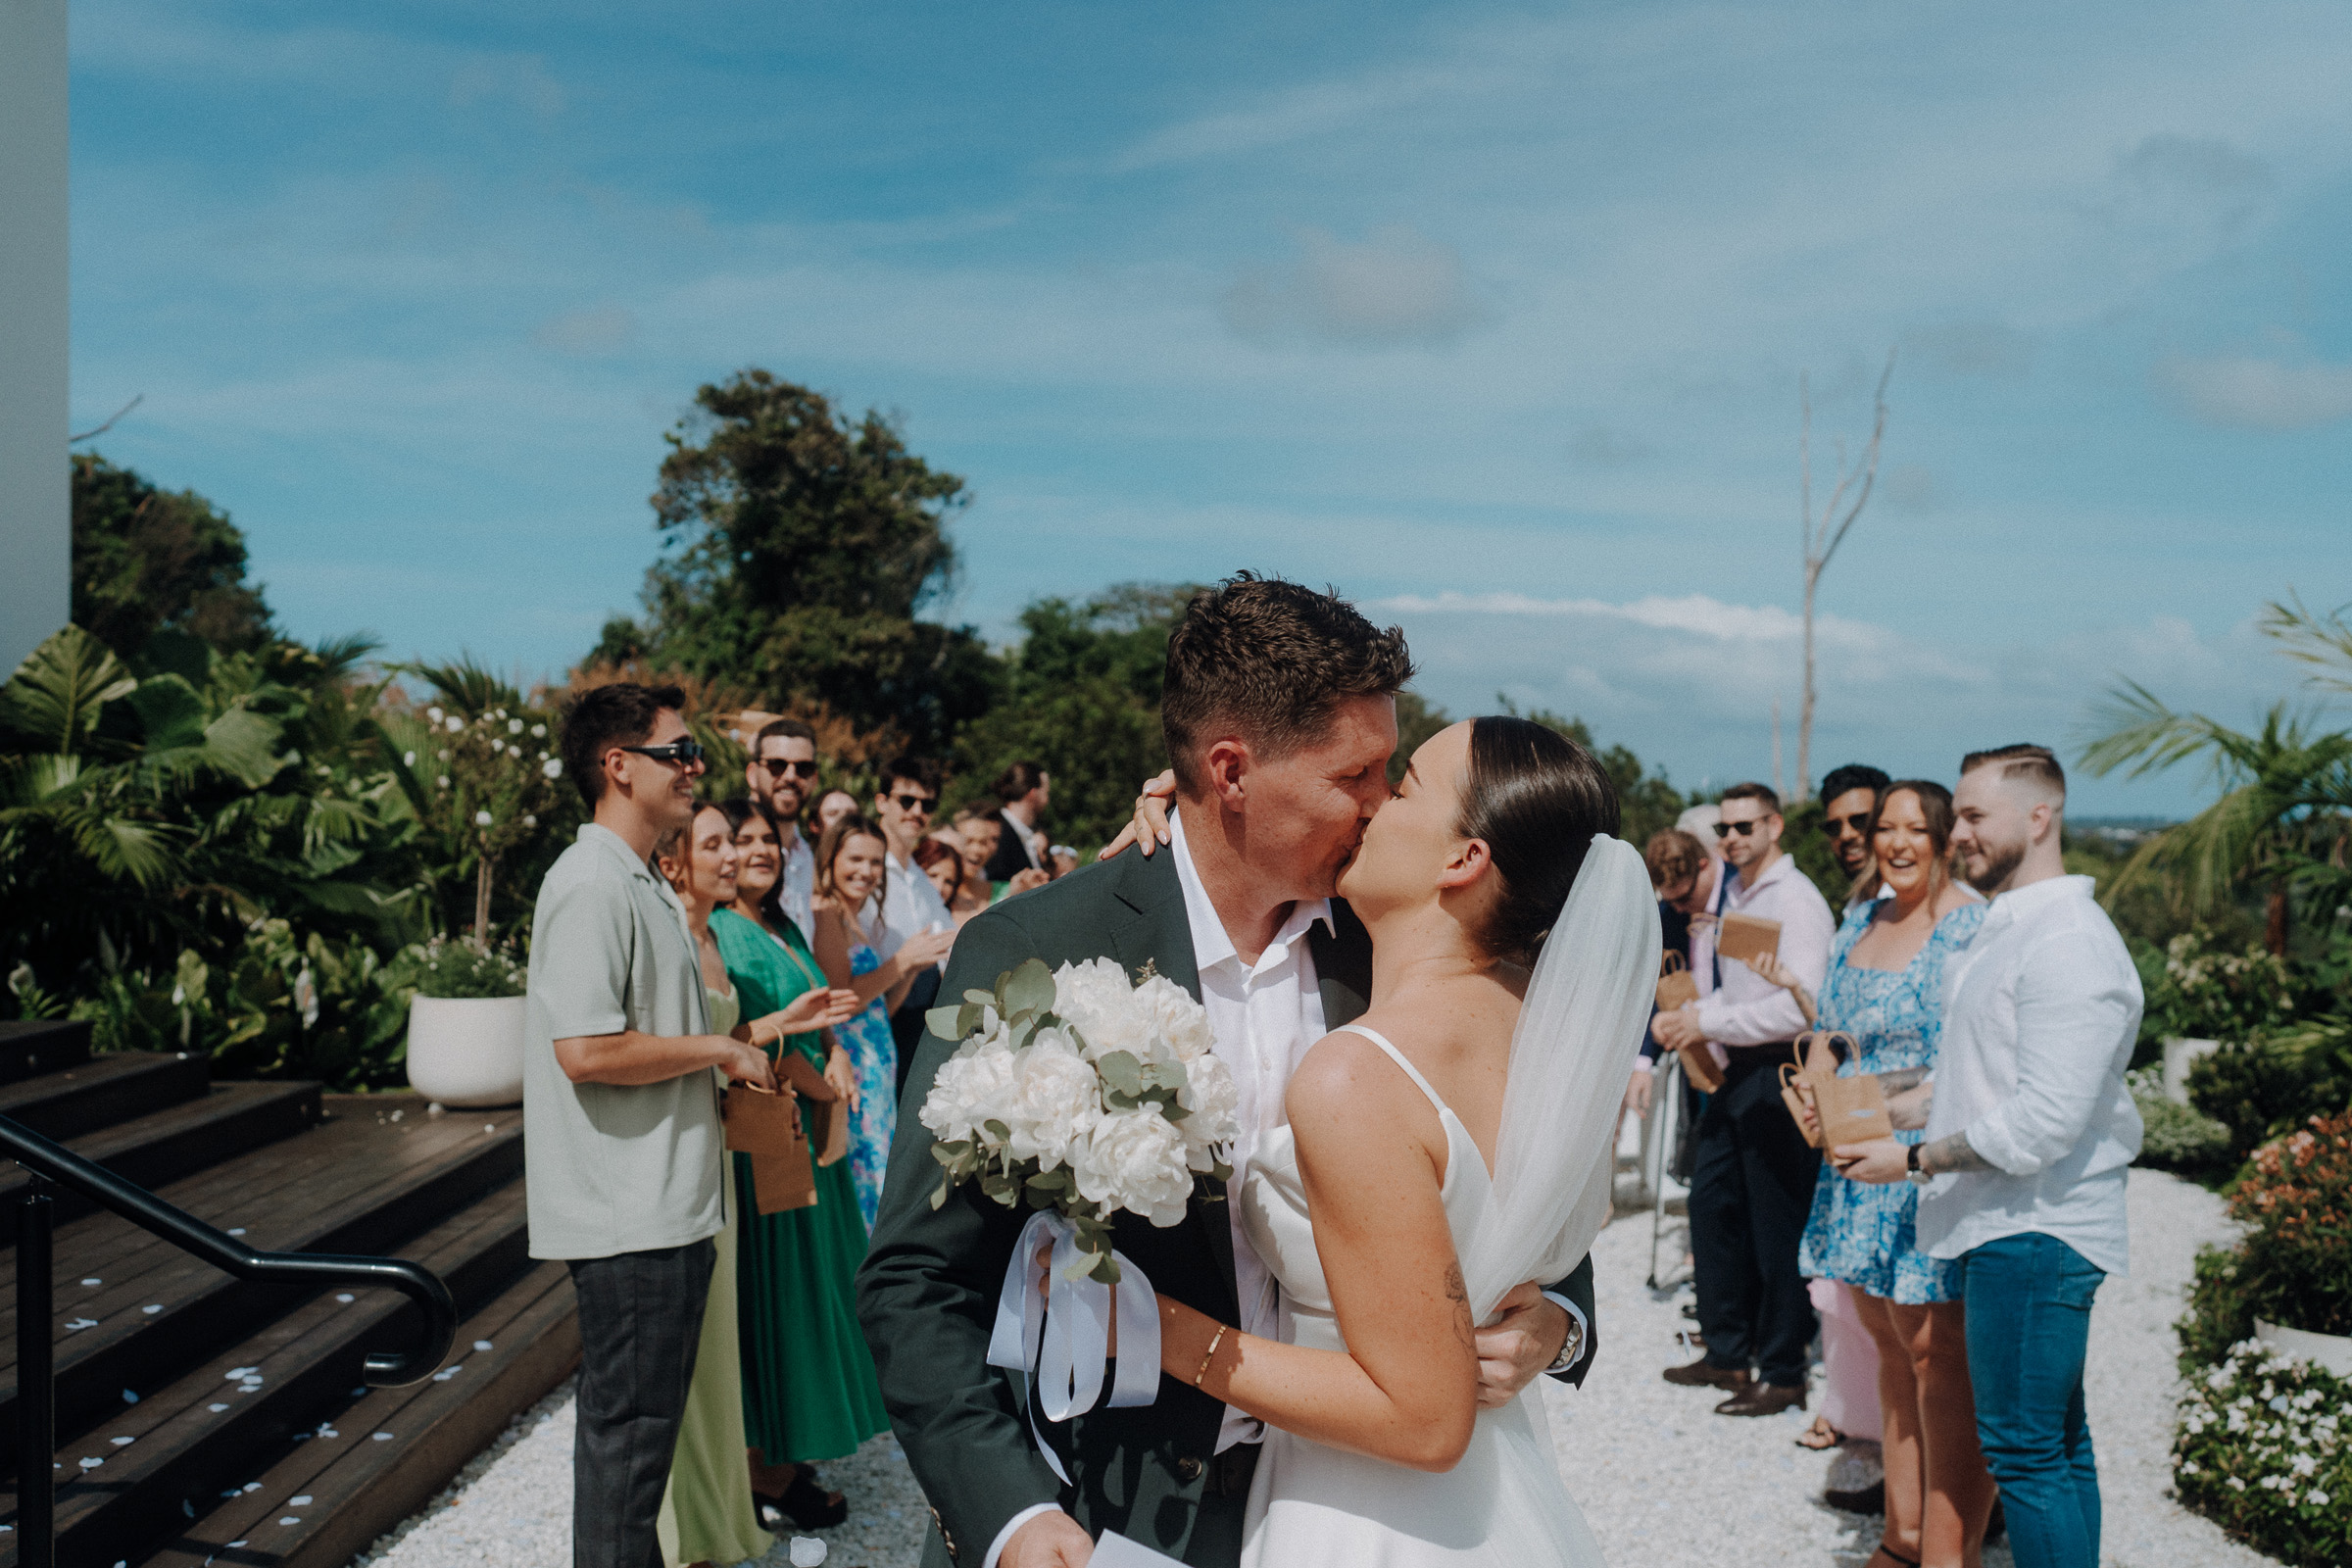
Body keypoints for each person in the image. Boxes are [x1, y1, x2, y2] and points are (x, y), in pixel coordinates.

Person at [858, 574, 1599, 1568]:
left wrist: (1562, 1318)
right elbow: (917, 1278)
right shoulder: (1037, 949)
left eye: (1393, 774)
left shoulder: (1393, 945)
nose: (1381, 804)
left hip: (1347, 1501)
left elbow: (1509, 1157)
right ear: (1231, 769)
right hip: (1100, 1497)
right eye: (1357, 775)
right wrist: (1010, 1514)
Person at [1833, 746, 2143, 1568]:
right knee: (2053, 1449)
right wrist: (1878, 1113)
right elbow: (1964, 1080)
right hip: (2004, 1225)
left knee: (2025, 1454)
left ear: (2038, 818)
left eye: (1973, 816)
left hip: (2038, 1231)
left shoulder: (2070, 942)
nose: (1956, 832)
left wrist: (1910, 1161)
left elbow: (2042, 1123)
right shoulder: (2013, 929)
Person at [523, 683, 778, 1568]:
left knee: (635, 1457)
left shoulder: (632, 881)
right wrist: (716, 1050)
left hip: (661, 1203)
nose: (695, 769)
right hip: (628, 1213)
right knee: (626, 1458)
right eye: (678, 753)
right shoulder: (592, 882)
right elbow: (585, 1051)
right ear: (618, 766)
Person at [1774, 782, 1996, 1567]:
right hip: (1854, 1160)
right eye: (1886, 829)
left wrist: (1872, 1104)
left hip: (1926, 1166)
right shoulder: (1862, 917)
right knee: (1892, 1349)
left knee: (1940, 1356)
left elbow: (1974, 1065)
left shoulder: (1969, 926)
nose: (1897, 843)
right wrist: (1816, 1085)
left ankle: (1953, 1542)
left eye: (1915, 830)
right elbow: (1829, 1030)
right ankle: (1903, 1535)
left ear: (1942, 837)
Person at [650, 806, 843, 1568]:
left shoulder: (707, 938)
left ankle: (723, 1505)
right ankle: (685, 1523)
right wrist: (771, 1031)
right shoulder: (677, 936)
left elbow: (725, 1040)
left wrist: (794, 1032)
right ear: (674, 863)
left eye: (735, 841)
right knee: (695, 1359)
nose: (736, 855)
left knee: (721, 1354)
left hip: (724, 1151)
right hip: (692, 1160)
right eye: (717, 844)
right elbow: (688, 1047)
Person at [710, 797, 887, 1532]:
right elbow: (735, 1033)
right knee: (782, 1298)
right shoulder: (718, 931)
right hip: (769, 1133)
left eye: (766, 841)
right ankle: (767, 1464)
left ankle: (791, 1444)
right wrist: (816, 1076)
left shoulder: (779, 924)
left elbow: (821, 1009)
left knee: (821, 1290)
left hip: (813, 1131)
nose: (758, 850)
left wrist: (840, 1052)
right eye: (740, 839)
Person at [1650, 782, 1837, 1417]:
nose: (1733, 838)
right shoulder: (1736, 892)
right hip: (1737, 1071)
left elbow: (1801, 1004)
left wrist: (1707, 1024)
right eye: (1725, 829)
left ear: (1774, 827)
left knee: (1776, 1224)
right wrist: (1694, 1015)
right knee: (1713, 1208)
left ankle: (1783, 1371)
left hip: (1780, 1068)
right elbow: (1739, 990)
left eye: (1745, 827)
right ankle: (1728, 1352)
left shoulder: (1797, 901)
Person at [811, 809, 955, 1229]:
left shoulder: (857, 920)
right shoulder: (826, 912)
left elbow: (877, 1009)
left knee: (880, 1180)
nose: (866, 871)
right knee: (865, 1187)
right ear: (831, 859)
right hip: (853, 1069)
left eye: (875, 862)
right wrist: (899, 962)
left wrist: (908, 973)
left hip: (877, 1063)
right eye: (854, 859)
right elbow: (841, 1001)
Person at [1623, 827, 1711, 1122]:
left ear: (1703, 866)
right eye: (1670, 900)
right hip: (1693, 1056)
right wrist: (1644, 1062)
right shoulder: (1667, 915)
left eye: (1685, 897)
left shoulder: (1734, 899)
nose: (1680, 908)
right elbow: (1655, 990)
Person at [743, 717, 822, 944]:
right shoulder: (727, 845)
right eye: (777, 766)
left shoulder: (808, 857)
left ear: (814, 779)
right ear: (752, 774)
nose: (790, 776)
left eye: (803, 768)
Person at [1820, 763, 1893, 888]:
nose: (1846, 835)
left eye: (1860, 821)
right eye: (1834, 827)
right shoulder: (1856, 905)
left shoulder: (1921, 904)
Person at [981, 760, 1051, 883]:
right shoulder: (997, 833)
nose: (1047, 800)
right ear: (1033, 794)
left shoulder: (1028, 836)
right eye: (1046, 793)